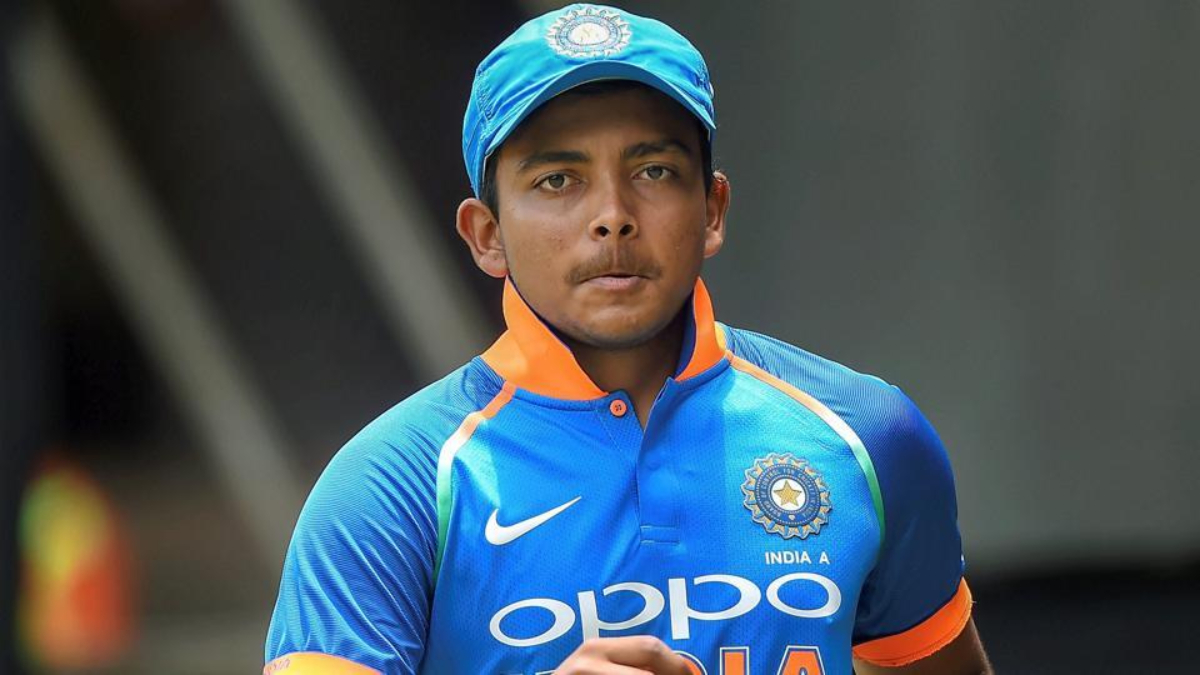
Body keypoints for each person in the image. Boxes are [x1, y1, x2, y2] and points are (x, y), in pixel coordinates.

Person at [264, 4, 991, 674]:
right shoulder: (390, 487)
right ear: (487, 235)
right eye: (558, 180)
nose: (612, 214)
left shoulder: (869, 437)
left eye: (653, 170)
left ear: (712, 210)